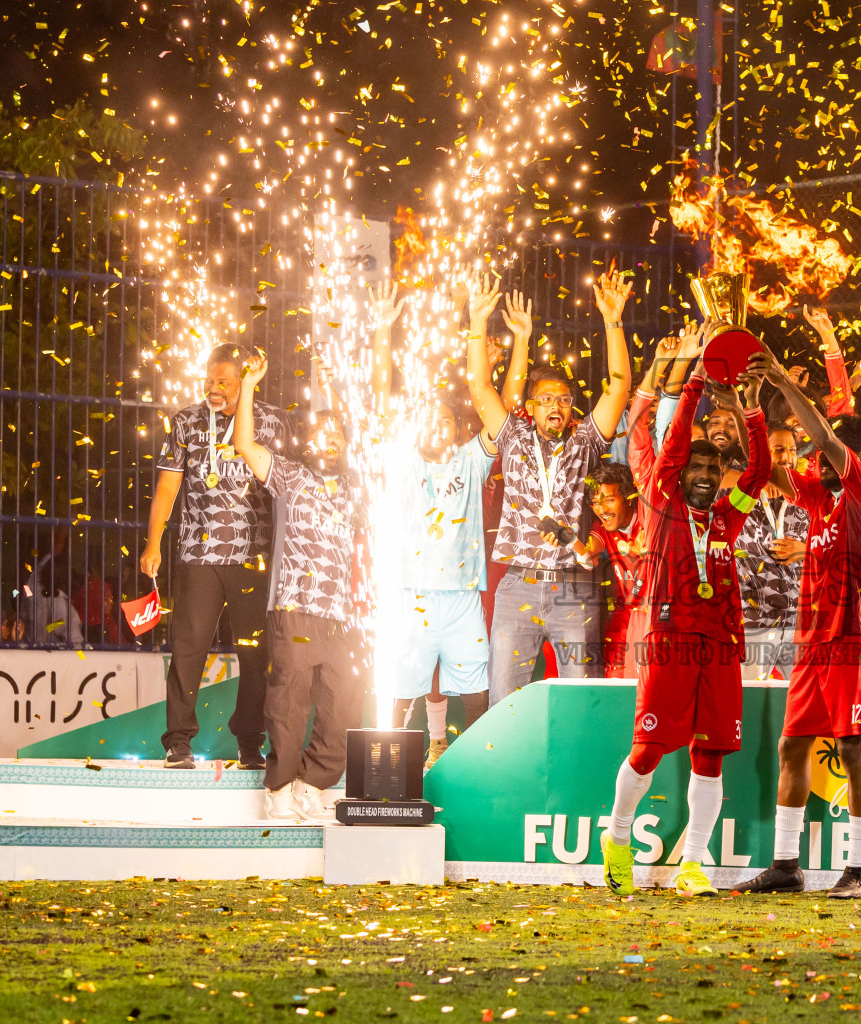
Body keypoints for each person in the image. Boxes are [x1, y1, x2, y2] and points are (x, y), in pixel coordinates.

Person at [601, 355, 770, 897]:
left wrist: (752, 411)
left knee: (710, 755)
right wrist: (696, 379)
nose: (701, 475)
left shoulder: (728, 515)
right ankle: (618, 837)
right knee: (649, 749)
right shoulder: (661, 503)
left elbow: (761, 471)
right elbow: (671, 447)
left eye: (711, 470)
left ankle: (692, 864)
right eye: (694, 468)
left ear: (721, 477)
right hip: (669, 641)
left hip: (720, 647)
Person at [738, 350, 861, 901]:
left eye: (828, 454)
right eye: (817, 456)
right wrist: (747, 411)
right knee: (791, 747)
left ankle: (858, 870)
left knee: (854, 751)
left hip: (856, 638)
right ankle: (785, 867)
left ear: (855, 456)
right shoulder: (819, 500)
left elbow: (824, 436)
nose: (816, 460)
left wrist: (780, 379)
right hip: (815, 642)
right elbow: (772, 470)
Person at [464, 271, 635, 697]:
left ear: (572, 406)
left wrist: (613, 321)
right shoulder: (513, 437)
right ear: (531, 407)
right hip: (517, 583)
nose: (554, 406)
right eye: (545, 399)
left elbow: (619, 387)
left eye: (563, 399)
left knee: (579, 699)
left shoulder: (586, 442)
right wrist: (477, 322)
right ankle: (504, 766)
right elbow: (479, 384)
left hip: (573, 589)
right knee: (504, 698)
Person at [232, 354, 367, 821]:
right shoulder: (290, 476)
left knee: (342, 703)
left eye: (337, 436)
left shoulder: (354, 486)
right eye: (320, 434)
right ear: (307, 443)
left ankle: (313, 782)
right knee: (288, 702)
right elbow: (245, 443)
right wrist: (249, 385)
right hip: (294, 606)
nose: (328, 441)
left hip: (342, 615)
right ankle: (279, 788)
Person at [144, 342, 285, 769]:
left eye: (224, 381)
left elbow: (288, 487)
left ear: (246, 380)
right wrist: (154, 542)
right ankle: (179, 741)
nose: (214, 388)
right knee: (188, 647)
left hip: (252, 557)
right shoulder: (185, 420)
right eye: (209, 380)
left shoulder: (272, 421)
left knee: (255, 653)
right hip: (199, 555)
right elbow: (168, 487)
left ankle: (249, 741)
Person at [385, 386, 497, 767]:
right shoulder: (403, 461)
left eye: (446, 420)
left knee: (476, 688)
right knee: (403, 687)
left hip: (462, 595)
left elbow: (499, 419)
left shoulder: (470, 460)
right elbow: (384, 406)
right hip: (413, 594)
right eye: (430, 420)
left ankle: (473, 762)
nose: (438, 426)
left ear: (457, 427)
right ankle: (391, 764)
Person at [736, 420, 808, 681]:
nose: (787, 457)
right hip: (754, 618)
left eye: (792, 450)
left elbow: (830, 548)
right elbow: (719, 476)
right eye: (778, 450)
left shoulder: (808, 498)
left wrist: (806, 551)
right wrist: (757, 481)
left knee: (801, 700)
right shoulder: (743, 494)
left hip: (797, 620)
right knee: (750, 699)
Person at [571, 462, 644, 678]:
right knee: (616, 687)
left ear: (629, 497)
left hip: (658, 618)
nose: (602, 510)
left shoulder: (650, 519)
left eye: (609, 501)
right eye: (595, 503)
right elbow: (588, 556)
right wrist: (568, 539)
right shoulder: (602, 526)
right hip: (623, 618)